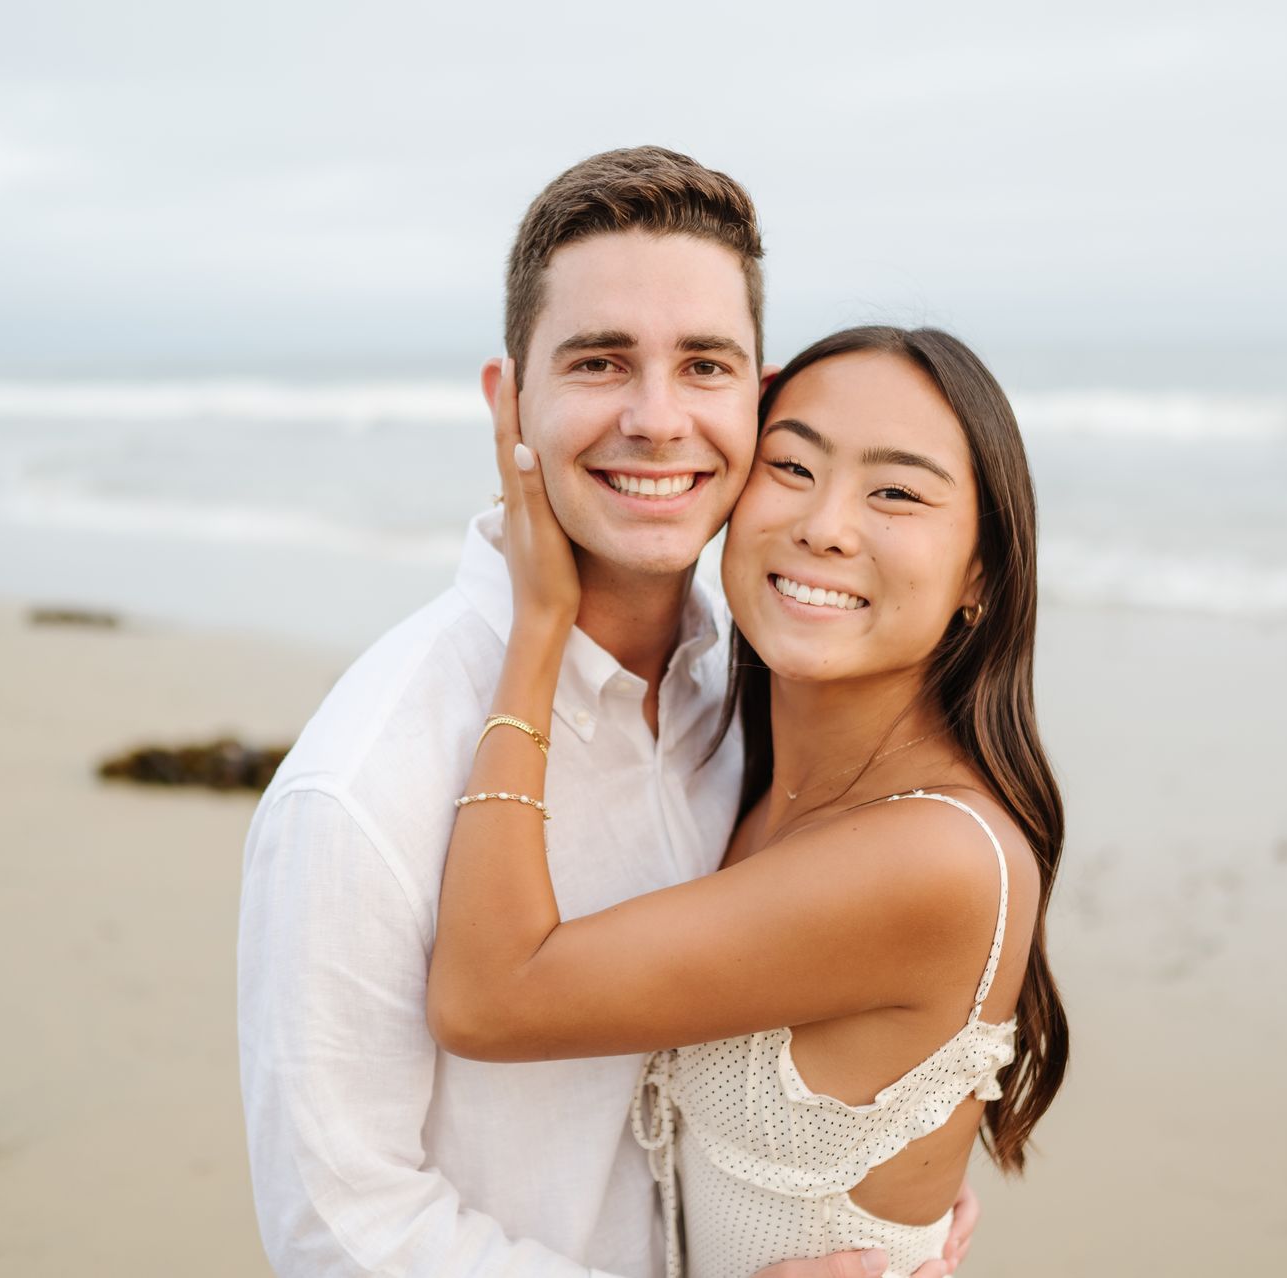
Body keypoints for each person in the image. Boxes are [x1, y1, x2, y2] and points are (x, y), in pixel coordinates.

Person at [238, 148, 976, 1277]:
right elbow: (339, 1228)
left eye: (704, 366)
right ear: (510, 401)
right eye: (599, 361)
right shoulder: (365, 779)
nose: (657, 418)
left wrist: (879, 1198)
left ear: (758, 401)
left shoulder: (741, 703)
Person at [426, 326, 1069, 1278]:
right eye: (792, 465)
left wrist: (539, 627)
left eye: (895, 491)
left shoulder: (935, 856)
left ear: (981, 570)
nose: (825, 525)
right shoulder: (753, 777)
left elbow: (488, 997)